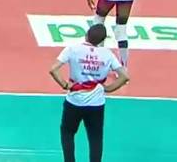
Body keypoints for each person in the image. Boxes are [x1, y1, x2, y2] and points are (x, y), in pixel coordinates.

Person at [48, 24, 131, 162]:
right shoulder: (107, 54)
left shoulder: (72, 49)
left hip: (74, 101)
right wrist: (108, 88)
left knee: (68, 133)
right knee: (95, 138)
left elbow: (53, 69)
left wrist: (64, 84)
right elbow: (125, 76)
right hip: (96, 104)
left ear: (86, 34)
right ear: (102, 40)